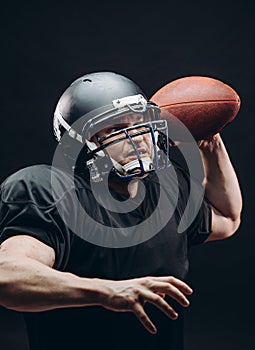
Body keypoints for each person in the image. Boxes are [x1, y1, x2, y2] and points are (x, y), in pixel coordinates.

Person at [0, 72, 242, 350]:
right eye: (116, 129)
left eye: (141, 124)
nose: (138, 138)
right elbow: (7, 276)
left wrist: (210, 144)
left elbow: (226, 218)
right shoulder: (50, 190)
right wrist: (107, 291)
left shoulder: (164, 189)